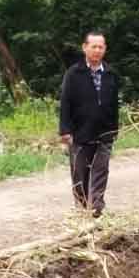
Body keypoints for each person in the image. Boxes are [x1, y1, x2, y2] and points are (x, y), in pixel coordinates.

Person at [58, 31, 121, 218]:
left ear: (105, 49)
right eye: (93, 46)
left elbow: (114, 104)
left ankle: (97, 207)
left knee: (101, 169)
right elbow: (65, 102)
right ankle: (82, 205)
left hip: (104, 131)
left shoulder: (110, 74)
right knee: (80, 172)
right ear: (85, 47)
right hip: (80, 131)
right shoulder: (74, 73)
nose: (97, 50)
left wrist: (115, 128)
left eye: (101, 47)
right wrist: (65, 130)